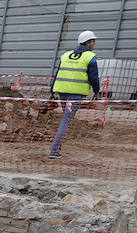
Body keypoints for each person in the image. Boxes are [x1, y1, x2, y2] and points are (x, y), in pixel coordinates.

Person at [49, 30, 99, 159]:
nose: (94, 44)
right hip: (75, 94)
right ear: (88, 42)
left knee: (65, 120)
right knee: (66, 121)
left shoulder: (66, 55)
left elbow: (57, 73)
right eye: (93, 41)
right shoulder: (90, 56)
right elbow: (94, 77)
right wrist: (97, 91)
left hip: (62, 92)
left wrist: (52, 91)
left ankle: (57, 150)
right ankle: (54, 151)